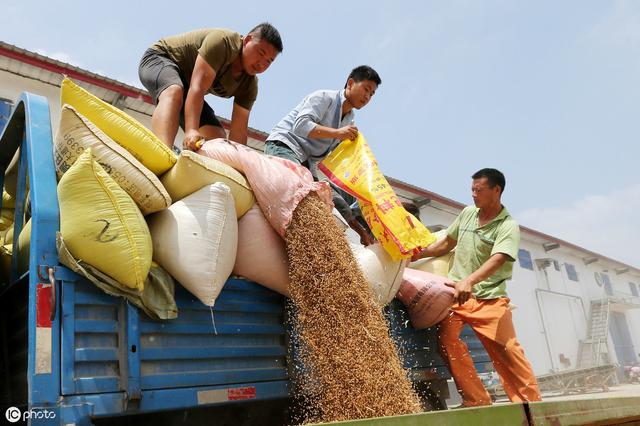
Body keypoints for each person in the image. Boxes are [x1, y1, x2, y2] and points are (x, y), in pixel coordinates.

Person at [412, 168, 541, 407]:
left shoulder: (508, 226)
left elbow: (499, 258)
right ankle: (476, 399)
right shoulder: (468, 214)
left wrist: (469, 281)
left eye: (478, 190)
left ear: (496, 190)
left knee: (508, 350)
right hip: (457, 296)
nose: (473, 194)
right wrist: (417, 255)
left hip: (489, 298)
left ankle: (531, 404)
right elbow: (446, 245)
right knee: (447, 341)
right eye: (472, 189)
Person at [264, 65, 381, 245]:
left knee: (335, 199)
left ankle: (364, 236)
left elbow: (336, 156)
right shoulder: (324, 98)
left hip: (307, 164)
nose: (367, 97)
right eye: (366, 89)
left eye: (372, 94)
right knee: (302, 190)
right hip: (285, 146)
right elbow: (300, 125)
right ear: (350, 83)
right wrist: (337, 133)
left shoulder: (350, 120)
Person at [138, 23, 283, 150]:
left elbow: (238, 130)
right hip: (160, 58)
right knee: (174, 90)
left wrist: (238, 165)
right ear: (247, 40)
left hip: (186, 86)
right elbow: (198, 88)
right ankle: (163, 152)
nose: (262, 64)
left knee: (216, 137)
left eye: (269, 61)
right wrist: (191, 130)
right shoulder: (222, 43)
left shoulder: (249, 85)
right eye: (260, 53)